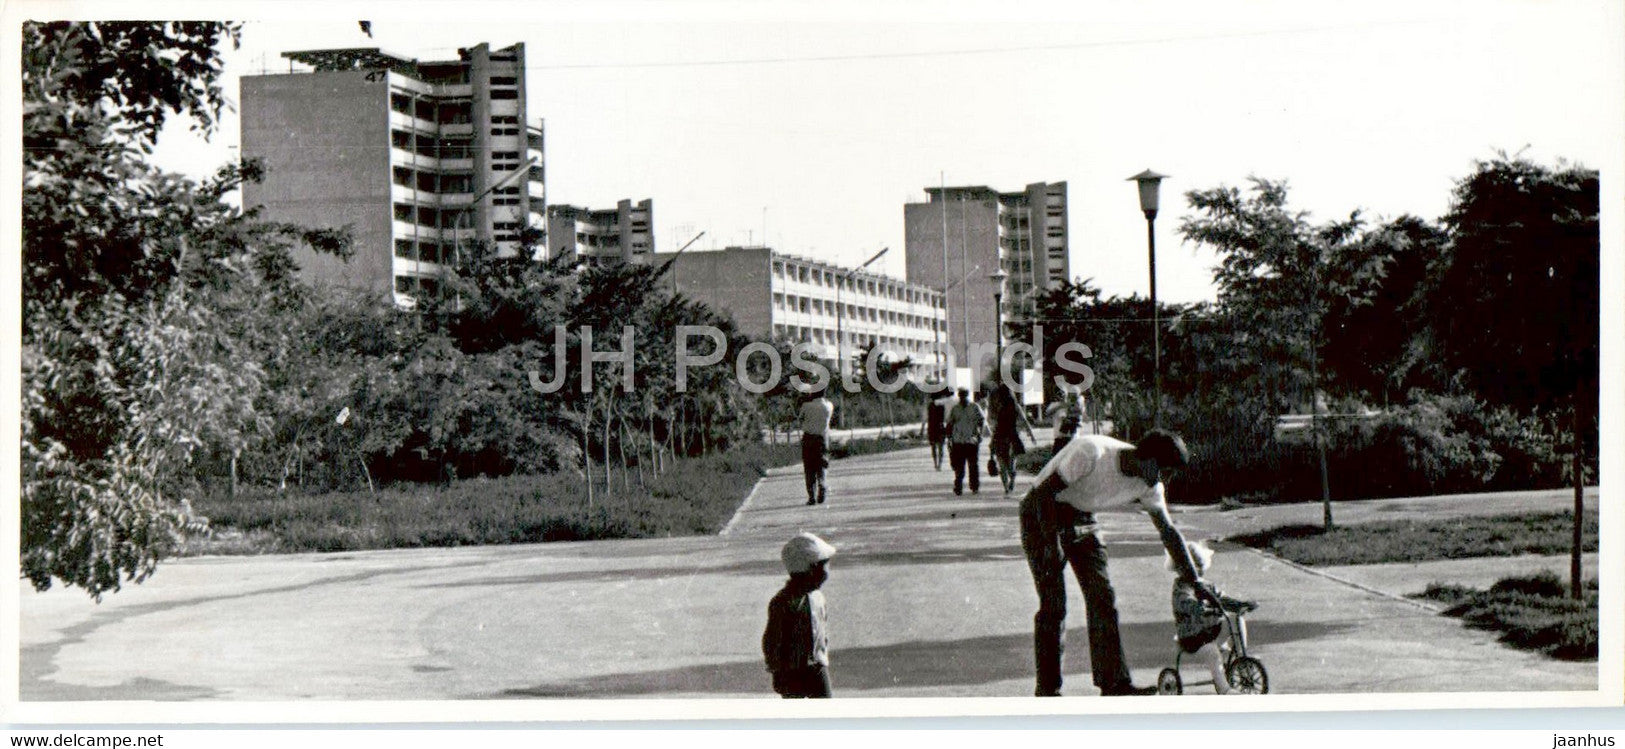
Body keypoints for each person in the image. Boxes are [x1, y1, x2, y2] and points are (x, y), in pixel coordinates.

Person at [1018, 429, 1218, 696]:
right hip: (1041, 513)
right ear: (1147, 459)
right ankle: (1047, 691)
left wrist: (1195, 580)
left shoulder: (1149, 484)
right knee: (1054, 604)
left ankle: (1114, 684)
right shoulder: (1091, 452)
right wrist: (1052, 545)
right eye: (1164, 471)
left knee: (1103, 597)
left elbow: (1168, 532)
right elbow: (1043, 495)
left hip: (1082, 516)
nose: (1164, 481)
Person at [763, 532, 837, 698]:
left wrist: (823, 654)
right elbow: (771, 639)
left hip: (817, 666)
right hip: (791, 670)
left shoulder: (818, 597)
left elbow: (822, 631)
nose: (828, 571)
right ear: (811, 569)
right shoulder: (783, 602)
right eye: (826, 565)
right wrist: (776, 669)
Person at [1168, 540, 1232, 695]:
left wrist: (1237, 603)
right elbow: (1186, 602)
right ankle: (1224, 689)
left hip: (1210, 631)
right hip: (1192, 636)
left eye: (1199, 567)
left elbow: (1221, 598)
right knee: (1211, 652)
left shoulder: (1206, 585)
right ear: (1180, 569)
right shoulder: (1181, 588)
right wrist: (1201, 606)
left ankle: (1240, 658)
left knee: (1236, 620)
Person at [988, 383, 1038, 495]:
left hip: (999, 436)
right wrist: (1032, 436)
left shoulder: (997, 407)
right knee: (1011, 464)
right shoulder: (1015, 406)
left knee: (1001, 463)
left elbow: (992, 421)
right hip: (1012, 436)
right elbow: (1025, 421)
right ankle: (1012, 480)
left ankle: (1006, 487)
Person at [945, 387, 987, 495]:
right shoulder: (955, 409)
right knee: (959, 467)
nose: (962, 397)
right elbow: (950, 424)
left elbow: (982, 421)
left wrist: (980, 434)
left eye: (963, 395)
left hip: (971, 440)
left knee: (973, 465)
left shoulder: (974, 407)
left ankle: (974, 486)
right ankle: (958, 487)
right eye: (960, 395)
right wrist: (949, 439)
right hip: (958, 440)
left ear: (967, 395)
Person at [799, 389, 834, 506]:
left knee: (809, 468)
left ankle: (811, 496)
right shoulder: (829, 406)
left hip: (808, 438)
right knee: (821, 465)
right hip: (822, 439)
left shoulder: (806, 406)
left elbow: (800, 419)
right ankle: (822, 484)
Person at [1045, 387, 1087, 455]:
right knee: (1056, 457)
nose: (1061, 395)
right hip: (1059, 436)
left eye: (1063, 393)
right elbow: (1047, 412)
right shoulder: (1054, 405)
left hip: (1071, 436)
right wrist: (1061, 405)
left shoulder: (1074, 403)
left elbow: (1080, 411)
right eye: (1059, 393)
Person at [923, 395, 949, 471]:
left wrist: (923, 429)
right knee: (940, 447)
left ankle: (936, 463)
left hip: (932, 428)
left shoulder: (929, 407)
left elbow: (926, 418)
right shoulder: (942, 407)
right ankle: (939, 464)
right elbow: (946, 418)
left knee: (933, 447)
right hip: (940, 427)